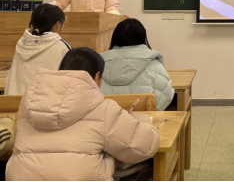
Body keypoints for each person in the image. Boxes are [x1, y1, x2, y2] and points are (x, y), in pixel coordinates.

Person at [6, 47, 160, 181]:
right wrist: (142, 119)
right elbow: (145, 145)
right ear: (97, 77)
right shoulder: (103, 109)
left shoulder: (30, 101)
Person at [101, 19, 174, 111]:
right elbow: (164, 96)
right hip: (146, 118)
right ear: (143, 37)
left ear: (114, 37)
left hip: (104, 118)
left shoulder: (98, 64)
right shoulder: (154, 64)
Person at [5, 4, 71, 95]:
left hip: (13, 100)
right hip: (43, 102)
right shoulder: (61, 46)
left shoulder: (22, 42)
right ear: (57, 25)